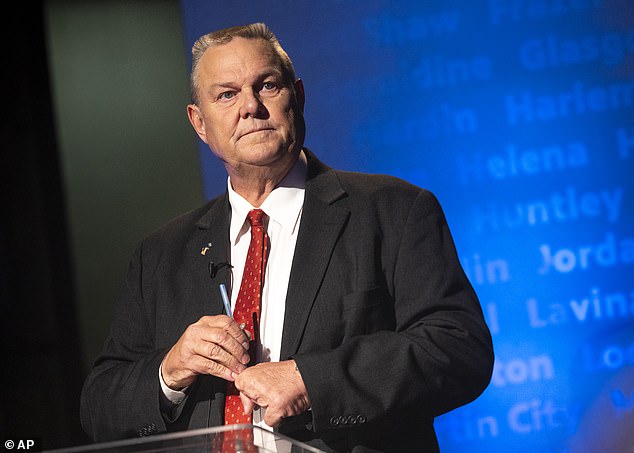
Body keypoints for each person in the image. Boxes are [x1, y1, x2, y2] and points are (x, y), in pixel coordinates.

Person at [80, 22, 494, 452]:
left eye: (267, 86)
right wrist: (170, 370)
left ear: (298, 95)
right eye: (227, 94)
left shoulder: (392, 211)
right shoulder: (161, 256)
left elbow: (458, 349)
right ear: (199, 123)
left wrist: (310, 381)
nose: (251, 107)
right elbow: (98, 407)